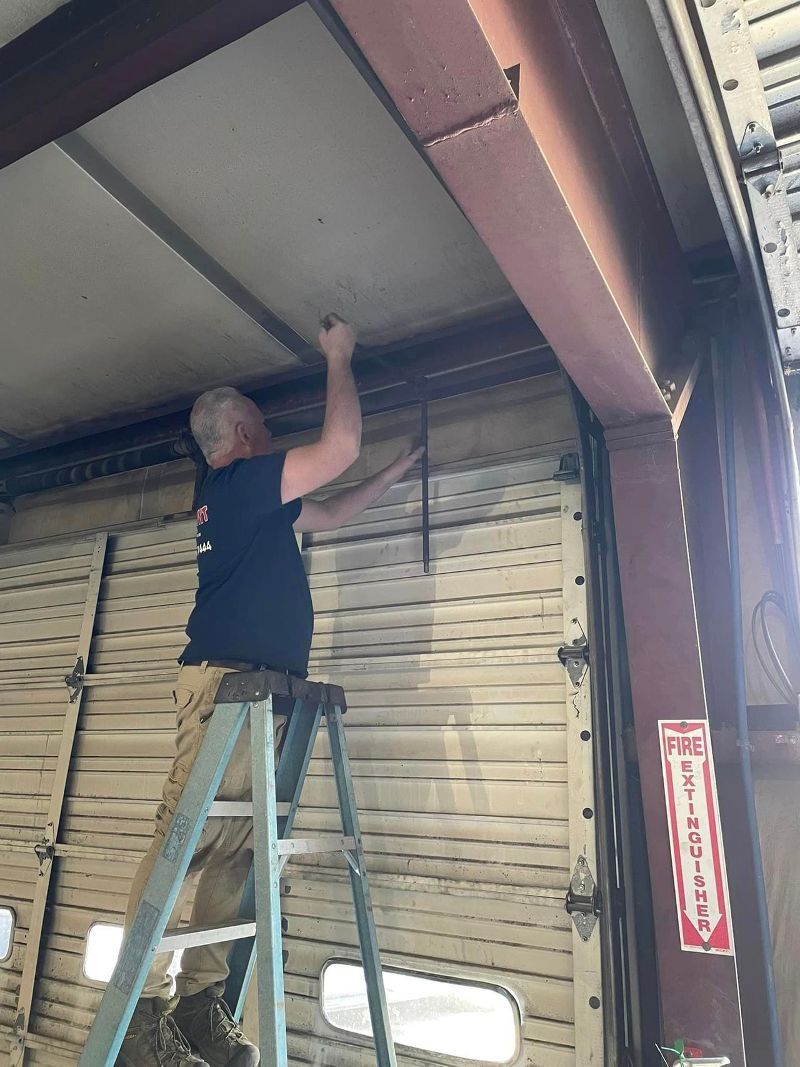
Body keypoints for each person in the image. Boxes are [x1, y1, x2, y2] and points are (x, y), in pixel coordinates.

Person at [117, 314, 423, 1066]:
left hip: (260, 695)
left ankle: (198, 1004)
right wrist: (338, 356)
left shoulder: (248, 503)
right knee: (182, 848)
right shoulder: (238, 482)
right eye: (264, 423)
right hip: (224, 690)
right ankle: (136, 1017)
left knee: (233, 853)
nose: (271, 430)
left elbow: (338, 505)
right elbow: (338, 449)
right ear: (244, 432)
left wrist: (393, 472)